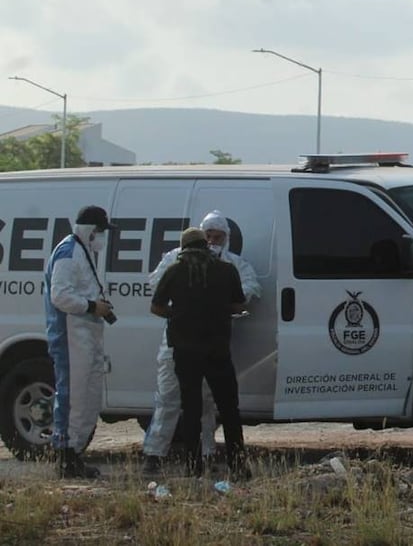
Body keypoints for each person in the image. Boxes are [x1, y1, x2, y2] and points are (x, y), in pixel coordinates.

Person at [142, 210, 261, 474]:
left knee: (200, 405)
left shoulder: (231, 264)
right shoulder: (178, 261)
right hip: (199, 347)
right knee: (171, 400)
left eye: (218, 237)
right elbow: (239, 302)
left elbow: (250, 288)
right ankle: (155, 453)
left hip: (186, 345)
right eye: (209, 236)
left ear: (227, 238)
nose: (213, 241)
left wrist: (182, 313)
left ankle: (201, 458)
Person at [44, 205, 118, 479]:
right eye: (101, 232)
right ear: (91, 231)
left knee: (88, 396)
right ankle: (65, 454)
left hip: (87, 334)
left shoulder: (83, 251)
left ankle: (75, 451)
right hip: (70, 335)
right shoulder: (68, 252)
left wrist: (97, 305)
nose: (103, 238)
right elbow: (60, 296)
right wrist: (92, 306)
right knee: (72, 396)